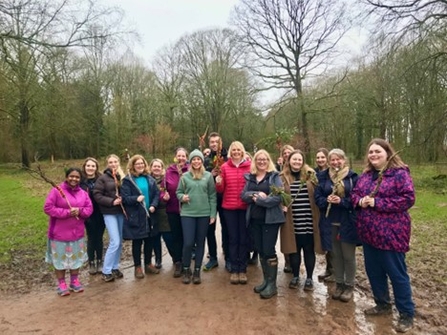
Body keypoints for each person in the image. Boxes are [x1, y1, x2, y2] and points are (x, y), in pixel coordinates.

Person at [351, 139, 415, 333]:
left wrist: (377, 203)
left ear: (387, 153)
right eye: (370, 152)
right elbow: (354, 194)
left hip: (391, 235)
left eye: (377, 151)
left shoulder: (399, 173)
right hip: (369, 235)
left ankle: (406, 313)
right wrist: (360, 200)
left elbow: (407, 198)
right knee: (374, 272)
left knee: (397, 274)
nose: (373, 155)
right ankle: (382, 303)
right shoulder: (366, 175)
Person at [315, 149, 359, 302]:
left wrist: (342, 202)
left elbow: (355, 200)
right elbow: (317, 197)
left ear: (344, 160)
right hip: (329, 221)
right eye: (332, 160)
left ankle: (349, 285)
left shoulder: (352, 177)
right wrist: (326, 200)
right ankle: (339, 283)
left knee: (348, 255)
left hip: (347, 222)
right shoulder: (323, 177)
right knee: (336, 255)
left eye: (338, 159)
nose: (335, 163)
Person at [241, 149, 285, 299]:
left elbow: (278, 197)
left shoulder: (274, 176)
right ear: (255, 161)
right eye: (259, 159)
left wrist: (261, 200)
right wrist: (254, 195)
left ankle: (272, 285)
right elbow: (243, 195)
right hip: (255, 220)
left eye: (264, 159)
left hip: (270, 220)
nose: (261, 161)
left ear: (268, 161)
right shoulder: (251, 177)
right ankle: (266, 280)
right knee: (260, 249)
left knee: (268, 250)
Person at [44, 168, 93, 296]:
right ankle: (61, 283)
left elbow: (89, 209)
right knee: (60, 260)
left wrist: (80, 211)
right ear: (66, 177)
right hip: (59, 234)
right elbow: (48, 208)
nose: (74, 179)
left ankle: (74, 281)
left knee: (75, 259)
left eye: (77, 177)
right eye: (71, 176)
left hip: (77, 233)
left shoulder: (83, 193)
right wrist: (66, 213)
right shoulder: (57, 191)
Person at [280, 150, 323, 291]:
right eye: (294, 159)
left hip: (309, 219)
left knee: (309, 249)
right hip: (292, 220)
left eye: (299, 160)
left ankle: (309, 278)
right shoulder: (282, 177)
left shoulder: (311, 176)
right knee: (294, 250)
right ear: (289, 160)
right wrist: (281, 205)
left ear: (303, 161)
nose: (297, 162)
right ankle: (296, 276)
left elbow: (319, 192)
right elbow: (278, 196)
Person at [177, 149, 217, 284]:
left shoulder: (208, 176)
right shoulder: (184, 177)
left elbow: (212, 195)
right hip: (188, 213)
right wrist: (182, 197)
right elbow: (178, 192)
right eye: (194, 159)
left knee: (200, 242)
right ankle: (187, 268)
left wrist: (212, 214)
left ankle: (197, 271)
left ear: (202, 161)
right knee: (188, 243)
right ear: (190, 161)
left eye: (198, 159)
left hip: (204, 213)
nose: (196, 161)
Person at [215, 141, 251, 284]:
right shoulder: (224, 167)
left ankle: (242, 268)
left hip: (244, 207)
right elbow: (221, 190)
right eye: (233, 150)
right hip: (229, 208)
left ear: (242, 151)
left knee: (244, 238)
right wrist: (218, 183)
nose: (236, 152)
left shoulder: (249, 167)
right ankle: (234, 268)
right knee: (233, 238)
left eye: (238, 150)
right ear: (230, 152)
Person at [121, 155, 160, 279]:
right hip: (137, 216)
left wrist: (153, 205)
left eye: (142, 164)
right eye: (137, 164)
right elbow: (125, 198)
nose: (140, 166)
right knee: (137, 242)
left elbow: (156, 194)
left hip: (149, 214)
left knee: (149, 240)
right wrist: (135, 199)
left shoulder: (150, 179)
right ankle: (138, 266)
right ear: (132, 165)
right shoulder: (128, 180)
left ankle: (148, 264)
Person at [93, 154, 126, 282]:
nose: (113, 164)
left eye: (115, 162)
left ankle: (114, 267)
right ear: (107, 164)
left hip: (121, 212)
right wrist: (112, 201)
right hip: (109, 212)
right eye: (111, 162)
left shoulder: (122, 177)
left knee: (120, 242)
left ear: (118, 163)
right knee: (115, 241)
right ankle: (106, 270)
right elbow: (97, 195)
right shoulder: (102, 178)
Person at [203, 132, 229, 271]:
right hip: (210, 199)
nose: (214, 144)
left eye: (216, 142)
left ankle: (228, 256)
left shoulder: (228, 158)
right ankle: (213, 257)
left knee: (227, 228)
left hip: (225, 198)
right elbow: (200, 178)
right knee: (209, 229)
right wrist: (209, 175)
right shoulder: (205, 160)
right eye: (211, 142)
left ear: (221, 143)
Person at [164, 147, 189, 277]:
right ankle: (178, 262)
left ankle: (187, 262)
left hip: (188, 210)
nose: (181, 158)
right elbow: (163, 188)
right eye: (178, 156)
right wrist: (164, 195)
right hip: (173, 209)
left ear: (187, 157)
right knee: (176, 236)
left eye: (183, 156)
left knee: (188, 237)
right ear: (175, 157)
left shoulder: (191, 170)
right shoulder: (169, 171)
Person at [80, 157, 106, 275]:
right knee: (91, 237)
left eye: (93, 166)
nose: (90, 168)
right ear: (85, 167)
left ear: (96, 168)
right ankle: (91, 262)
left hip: (100, 212)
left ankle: (100, 261)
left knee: (99, 237)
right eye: (88, 166)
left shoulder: (101, 179)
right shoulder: (80, 181)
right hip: (87, 213)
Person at [313, 148, 334, 282]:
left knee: (333, 241)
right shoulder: (314, 173)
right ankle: (329, 268)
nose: (320, 160)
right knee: (325, 240)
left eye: (323, 157)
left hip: (331, 210)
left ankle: (335, 270)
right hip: (318, 208)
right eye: (318, 157)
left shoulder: (332, 174)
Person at [274, 144, 294, 273]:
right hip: (285, 208)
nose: (286, 155)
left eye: (289, 152)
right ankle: (288, 261)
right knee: (286, 235)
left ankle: (296, 261)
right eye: (284, 153)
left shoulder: (300, 169)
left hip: (298, 207)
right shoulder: (280, 172)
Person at [149, 158, 172, 269]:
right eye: (155, 166)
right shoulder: (147, 180)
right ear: (151, 167)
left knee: (168, 237)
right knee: (155, 238)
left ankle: (176, 258)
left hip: (164, 212)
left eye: (159, 166)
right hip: (152, 212)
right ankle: (158, 259)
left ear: (162, 168)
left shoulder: (166, 179)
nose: (157, 168)